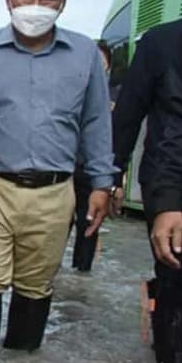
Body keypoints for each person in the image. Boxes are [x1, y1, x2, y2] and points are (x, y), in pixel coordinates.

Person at [0, 0, 115, 363]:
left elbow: (96, 121)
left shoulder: (84, 53)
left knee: (35, 285)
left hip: (55, 192)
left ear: (63, 3)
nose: (36, 6)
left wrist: (102, 184)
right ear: (9, 0)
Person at [114, 17, 182, 363]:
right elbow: (128, 114)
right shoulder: (163, 42)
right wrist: (110, 177)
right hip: (173, 189)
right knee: (177, 282)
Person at [70, 42, 113, 272]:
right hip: (66, 168)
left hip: (92, 171)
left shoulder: (116, 94)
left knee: (88, 221)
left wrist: (112, 180)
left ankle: (82, 269)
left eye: (102, 62)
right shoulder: (70, 89)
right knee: (59, 223)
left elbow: (112, 136)